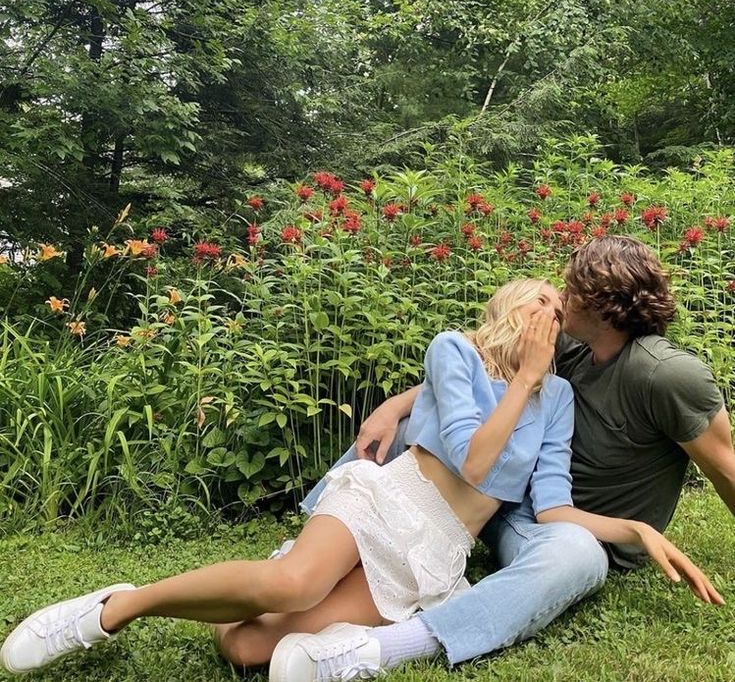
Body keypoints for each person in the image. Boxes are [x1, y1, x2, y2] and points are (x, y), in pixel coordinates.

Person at [0, 276, 720, 677]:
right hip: (389, 498)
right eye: (540, 300)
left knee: (248, 646)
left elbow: (554, 504)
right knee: (293, 585)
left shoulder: (554, 395)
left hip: (436, 546)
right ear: (507, 307)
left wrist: (627, 527)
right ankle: (110, 611)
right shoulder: (456, 354)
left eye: (558, 313)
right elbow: (474, 458)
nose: (550, 314)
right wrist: (523, 376)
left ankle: (235, 593)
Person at [263, 235, 735, 682]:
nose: (559, 299)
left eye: (569, 289)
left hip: (561, 520)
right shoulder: (572, 345)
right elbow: (478, 367)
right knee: (411, 428)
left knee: (578, 554)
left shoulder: (667, 375)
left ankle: (380, 648)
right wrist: (394, 407)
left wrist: (637, 530)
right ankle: (311, 546)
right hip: (496, 486)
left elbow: (725, 467)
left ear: (603, 305)